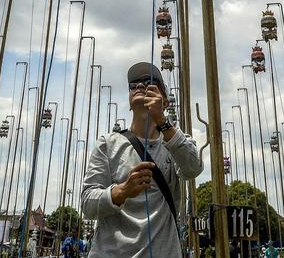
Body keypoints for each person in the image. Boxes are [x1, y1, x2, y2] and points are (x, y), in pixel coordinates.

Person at [82, 61, 203, 258]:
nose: (139, 86)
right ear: (129, 100)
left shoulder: (175, 142)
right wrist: (122, 191)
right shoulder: (107, 144)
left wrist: (163, 122)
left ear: (164, 101)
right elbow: (87, 204)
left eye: (149, 83)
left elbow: (192, 169)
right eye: (134, 85)